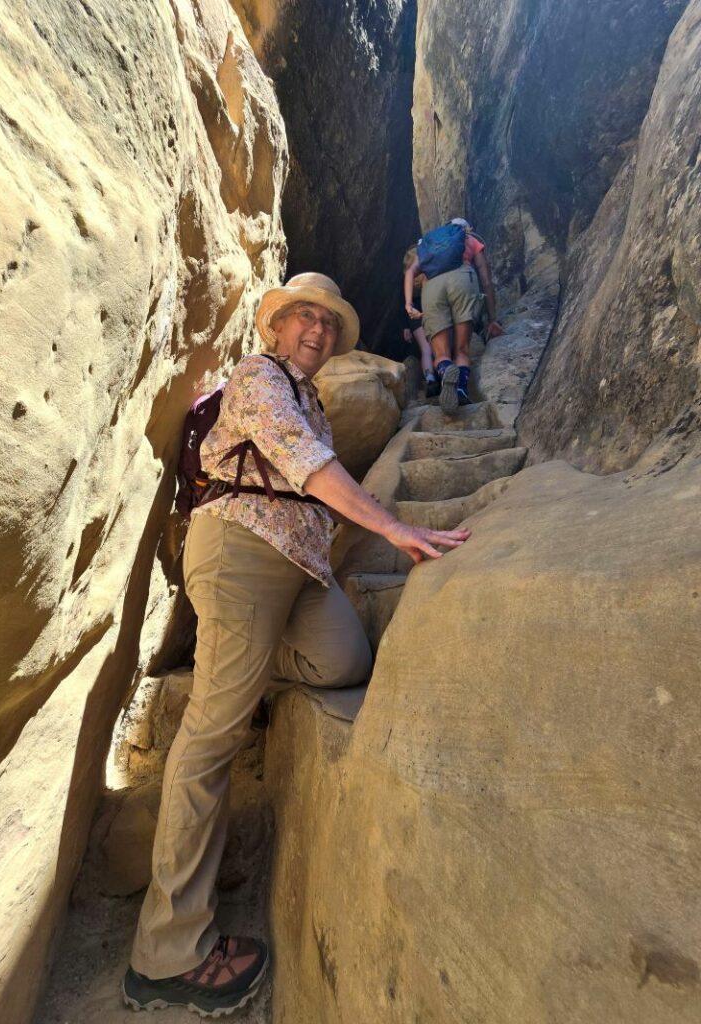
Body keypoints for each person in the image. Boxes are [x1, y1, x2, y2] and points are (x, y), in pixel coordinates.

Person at [123, 273, 471, 1016]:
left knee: (343, 660)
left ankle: (236, 661)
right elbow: (304, 466)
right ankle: (166, 952)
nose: (315, 331)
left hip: (300, 566)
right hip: (241, 545)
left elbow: (314, 481)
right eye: (301, 319)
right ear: (275, 329)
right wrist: (392, 526)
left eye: (326, 323)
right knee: (213, 731)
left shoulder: (312, 398)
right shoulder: (257, 377)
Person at [404, 218, 504, 411]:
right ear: (466, 228)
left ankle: (446, 369)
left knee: (440, 353)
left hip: (432, 287)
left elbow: (410, 272)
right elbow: (486, 279)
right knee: (462, 349)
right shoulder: (469, 239)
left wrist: (409, 303)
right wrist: (492, 318)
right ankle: (460, 391)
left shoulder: (428, 244)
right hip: (462, 279)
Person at [402, 246, 439, 397]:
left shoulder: (407, 279)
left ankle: (430, 379)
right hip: (432, 312)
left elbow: (402, 303)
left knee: (425, 350)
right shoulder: (429, 272)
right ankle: (443, 375)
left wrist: (406, 326)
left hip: (414, 316)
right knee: (439, 346)